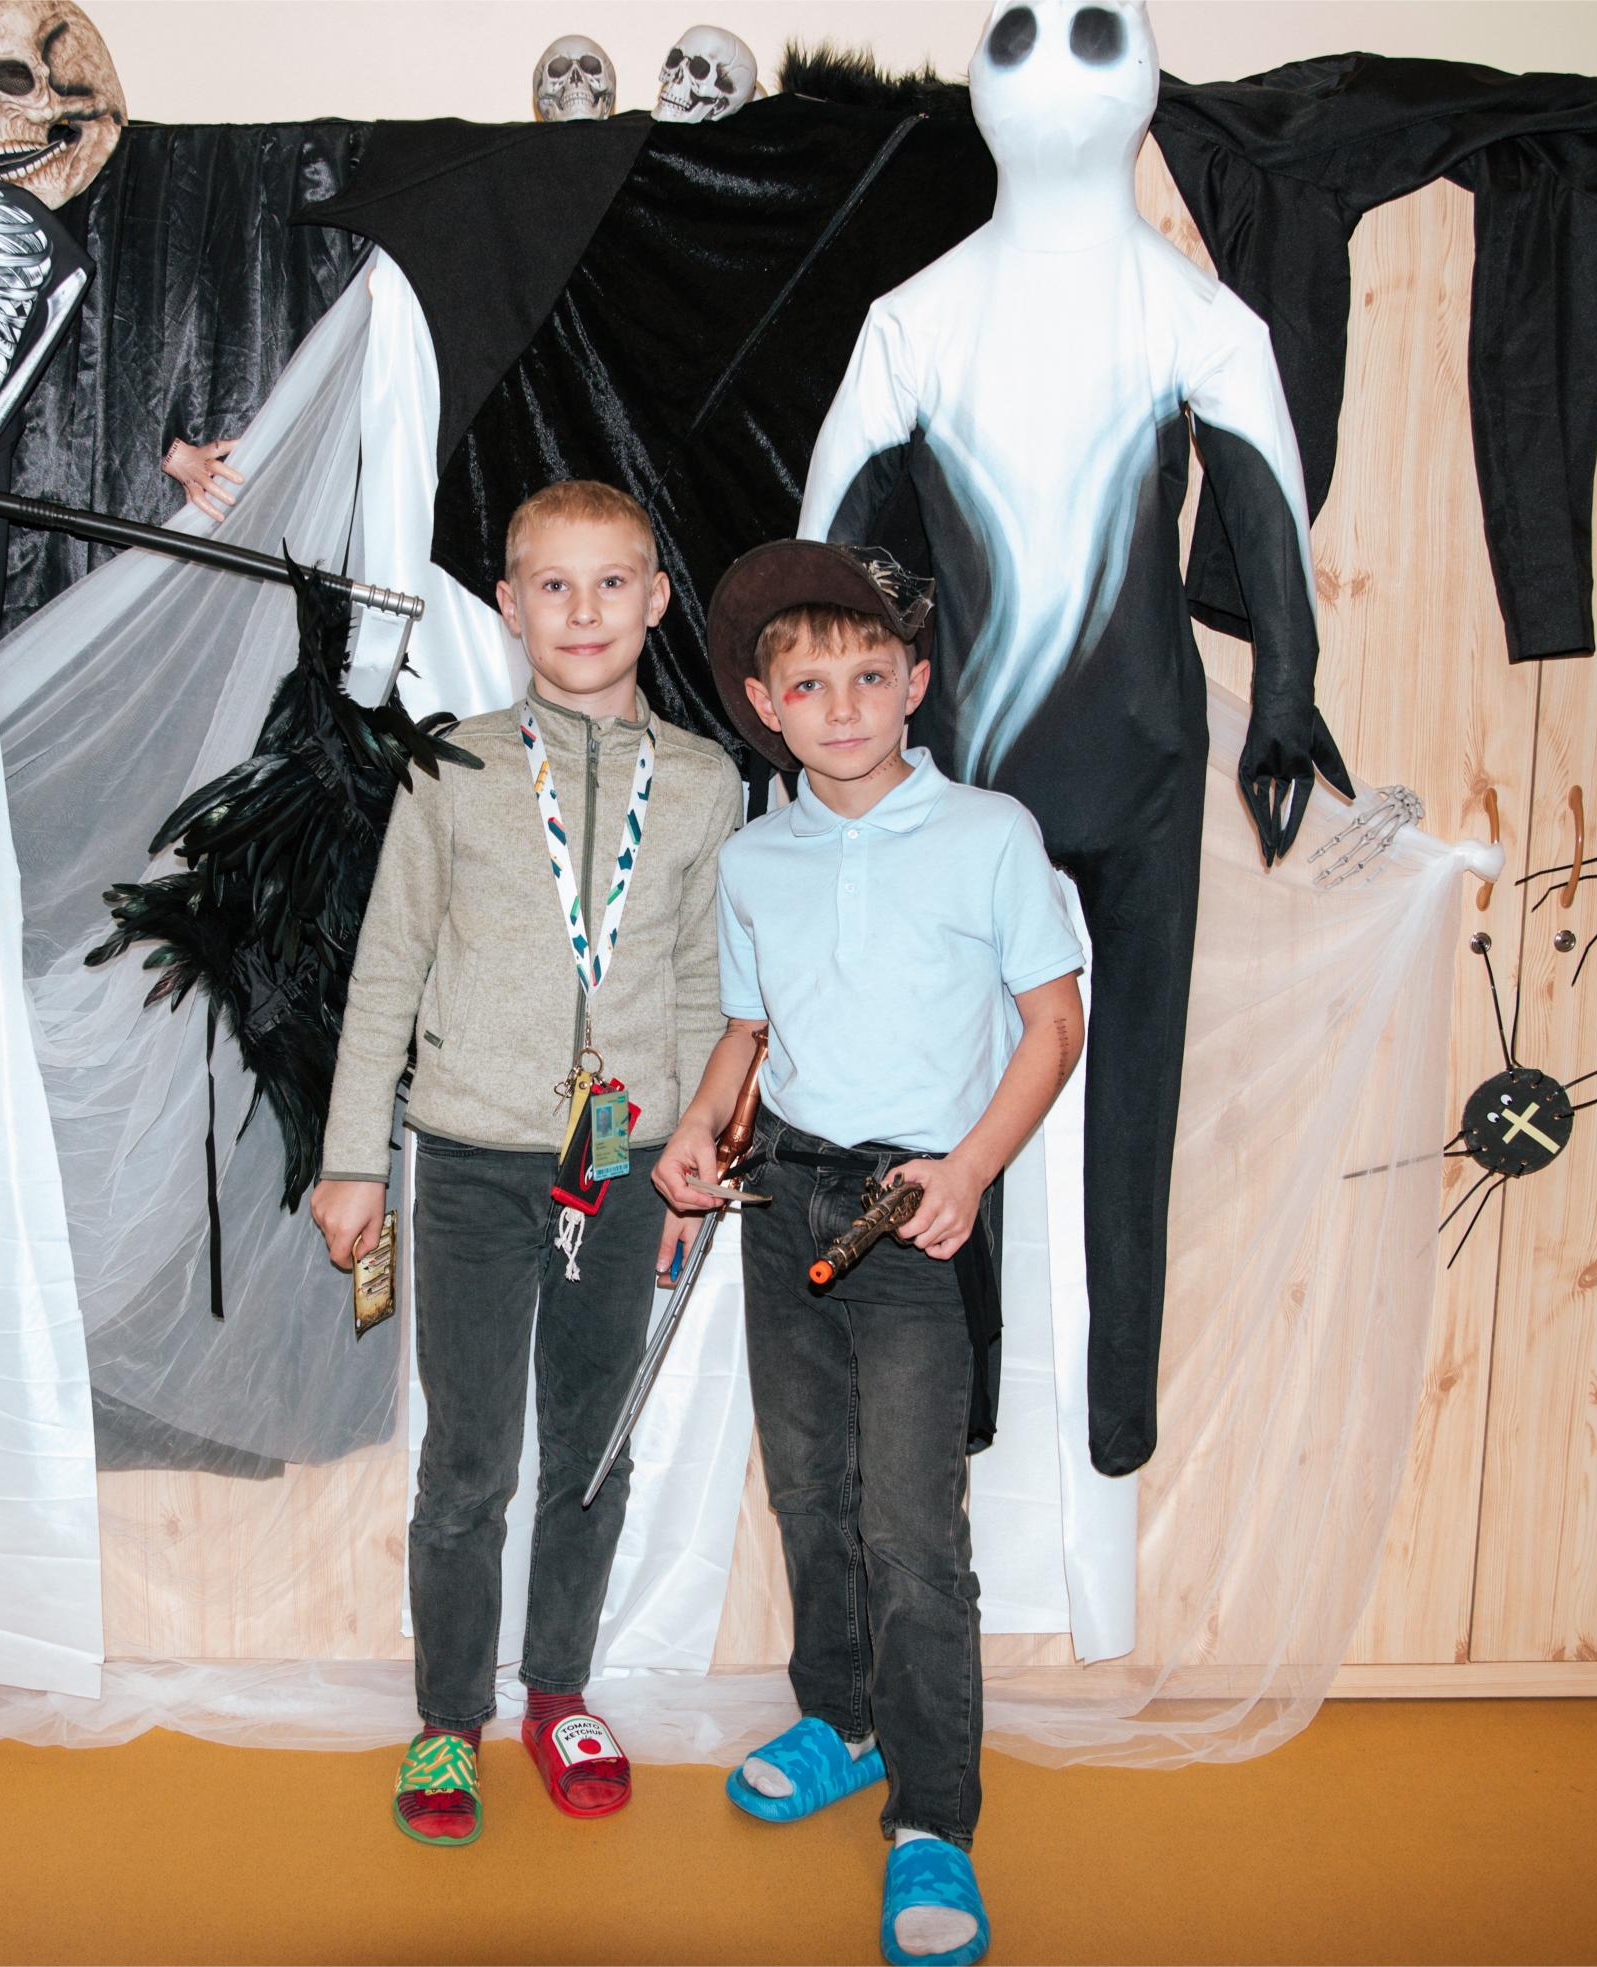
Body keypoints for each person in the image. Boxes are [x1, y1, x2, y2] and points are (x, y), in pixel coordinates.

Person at [656, 540, 1085, 1965]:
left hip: (916, 1207)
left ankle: (932, 1820)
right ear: (762, 706)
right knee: (810, 1493)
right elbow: (749, 1029)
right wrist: (699, 1132)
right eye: (806, 684)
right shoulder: (754, 859)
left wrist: (970, 1170)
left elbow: (1055, 1022)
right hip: (782, 1200)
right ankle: (839, 1721)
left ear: (913, 683)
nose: (839, 706)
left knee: (911, 1529)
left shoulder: (989, 835)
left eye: (867, 676)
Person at [314, 480, 742, 1846]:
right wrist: (352, 1156)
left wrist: (693, 1154)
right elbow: (387, 967)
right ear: (507, 605)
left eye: (611, 582)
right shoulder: (451, 764)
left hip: (623, 1168)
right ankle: (449, 1718)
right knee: (468, 1459)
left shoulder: (706, 783)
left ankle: (557, 1691)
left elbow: (706, 991)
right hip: (469, 1161)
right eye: (552, 585)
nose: (582, 610)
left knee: (592, 1452)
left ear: (656, 599)